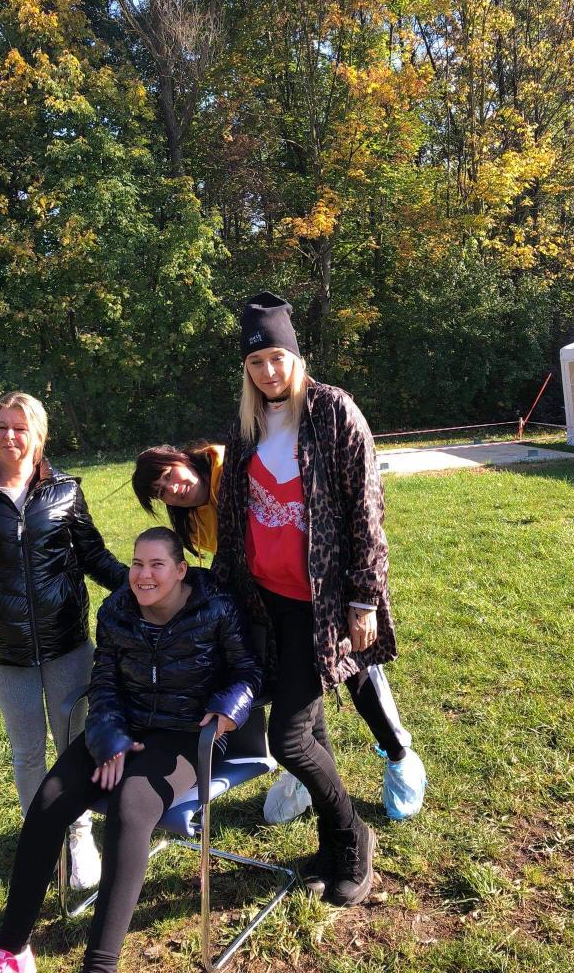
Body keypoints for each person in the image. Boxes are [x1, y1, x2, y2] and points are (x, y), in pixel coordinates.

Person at [211, 291, 422, 908]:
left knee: (290, 739)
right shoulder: (246, 425)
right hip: (265, 602)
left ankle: (353, 838)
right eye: (255, 362)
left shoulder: (333, 412)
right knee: (313, 732)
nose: (267, 371)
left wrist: (364, 599)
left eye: (276, 358)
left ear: (295, 356)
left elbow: (367, 512)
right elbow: (232, 518)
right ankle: (332, 848)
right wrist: (224, 593)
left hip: (321, 606)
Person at [0, 526, 261, 973]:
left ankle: (100, 965)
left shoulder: (217, 607)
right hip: (122, 727)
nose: (144, 575)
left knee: (131, 809)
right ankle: (12, 950)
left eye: (157, 565)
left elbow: (248, 671)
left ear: (181, 570)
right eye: (137, 564)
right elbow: (105, 684)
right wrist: (110, 740)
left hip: (186, 734)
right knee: (49, 800)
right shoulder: (115, 611)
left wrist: (228, 708)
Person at [132, 442, 426, 824]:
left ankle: (399, 757)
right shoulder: (192, 520)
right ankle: (311, 772)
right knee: (297, 692)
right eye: (161, 491)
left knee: (355, 672)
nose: (173, 489)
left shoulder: (235, 467)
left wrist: (354, 592)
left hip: (316, 587)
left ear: (182, 458)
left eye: (169, 475)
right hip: (271, 604)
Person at [0, 391, 127, 890]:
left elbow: (94, 556)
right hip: (8, 654)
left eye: (20, 428)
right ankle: (43, 837)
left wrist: (143, 586)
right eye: (2, 426)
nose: (10, 437)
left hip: (68, 646)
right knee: (27, 754)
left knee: (73, 747)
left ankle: (80, 835)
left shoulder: (65, 493)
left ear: (39, 435)